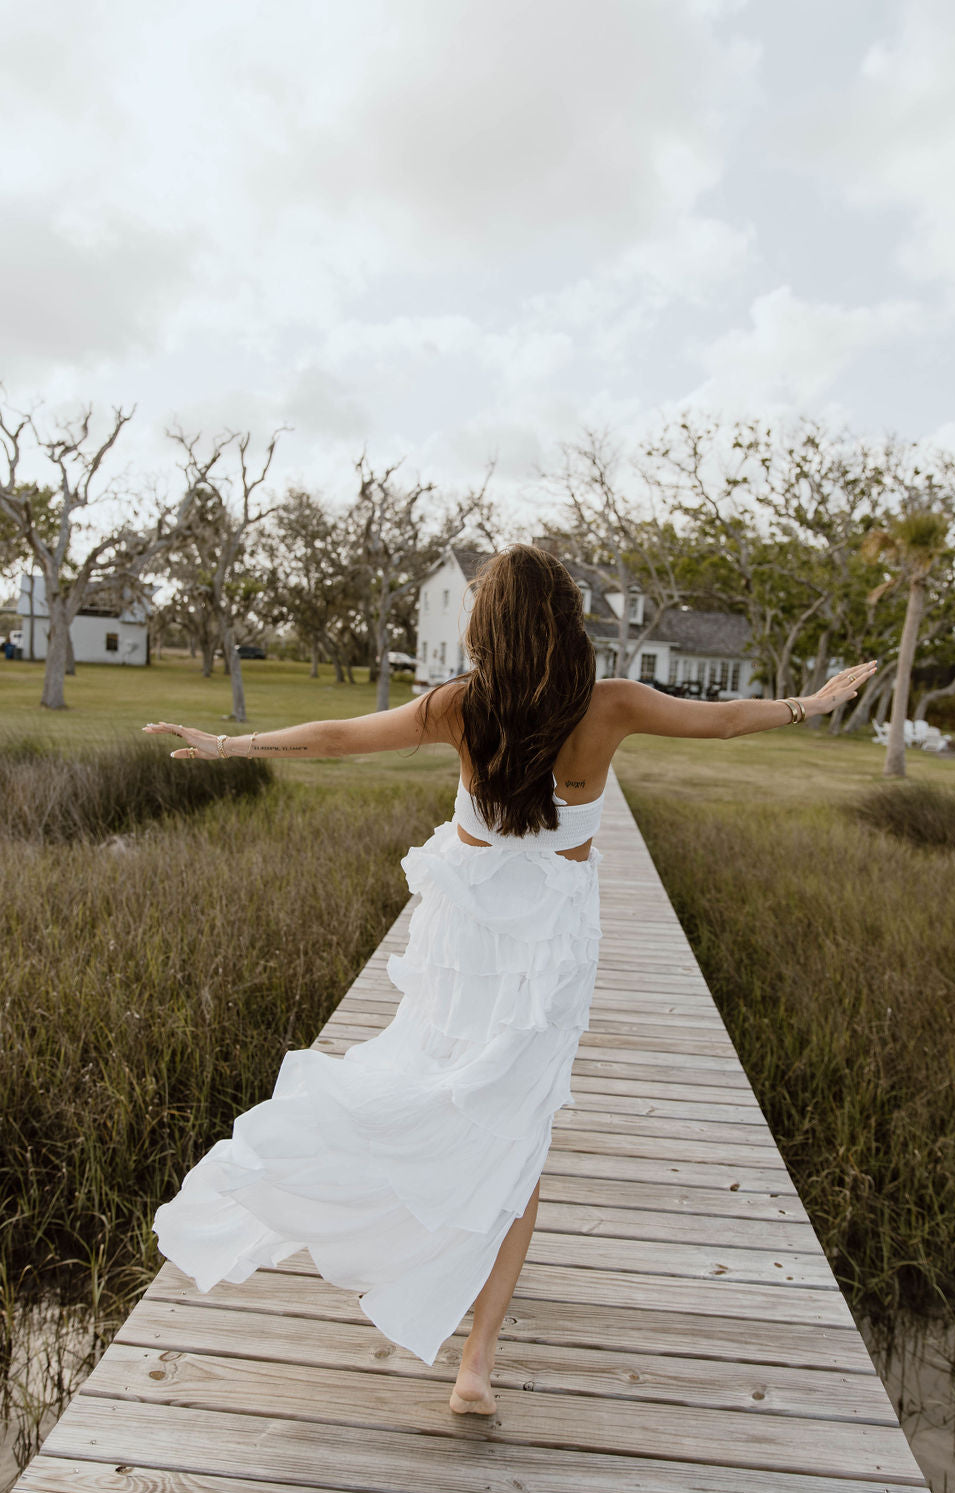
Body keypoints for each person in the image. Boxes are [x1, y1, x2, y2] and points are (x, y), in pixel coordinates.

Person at [143, 544, 875, 1416]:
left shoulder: (461, 706)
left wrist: (233, 744)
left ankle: (408, 1225)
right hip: (550, 943)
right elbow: (718, 720)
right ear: (566, 619)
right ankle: (475, 1364)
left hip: (469, 936)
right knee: (519, 1135)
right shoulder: (610, 707)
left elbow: (343, 738)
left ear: (488, 625)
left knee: (441, 1090)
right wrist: (810, 704)